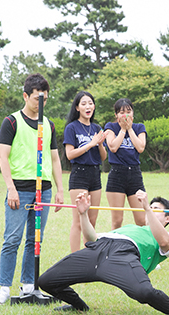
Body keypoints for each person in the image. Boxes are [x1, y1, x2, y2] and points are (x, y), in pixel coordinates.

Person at [38, 190, 169, 315]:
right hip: (98, 249)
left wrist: (146, 208)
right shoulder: (130, 228)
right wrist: (83, 214)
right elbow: (92, 238)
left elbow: (165, 243)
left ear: (168, 219)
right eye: (150, 207)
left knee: (144, 292)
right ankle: (79, 307)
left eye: (156, 209)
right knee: (46, 281)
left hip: (124, 255)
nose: (151, 210)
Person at [0, 73, 64, 305]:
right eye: (36, 99)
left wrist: (60, 189)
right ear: (25, 96)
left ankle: (29, 286)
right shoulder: (11, 122)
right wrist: (10, 188)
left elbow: (54, 159)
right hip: (20, 189)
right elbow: (3, 157)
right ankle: (5, 288)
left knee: (35, 240)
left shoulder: (49, 125)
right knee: (12, 239)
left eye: (44, 99)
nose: (40, 103)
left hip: (43, 190)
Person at [63, 91, 108, 252]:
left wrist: (100, 144)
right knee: (78, 221)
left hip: (95, 175)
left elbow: (103, 157)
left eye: (90, 103)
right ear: (77, 108)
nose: (87, 106)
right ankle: (74, 258)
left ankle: (88, 257)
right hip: (79, 175)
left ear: (94, 106)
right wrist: (90, 144)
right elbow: (69, 154)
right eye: (83, 103)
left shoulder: (96, 128)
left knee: (92, 220)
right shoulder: (72, 127)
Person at [104, 98, 147, 230]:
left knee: (141, 220)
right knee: (117, 221)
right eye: (122, 112)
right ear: (116, 115)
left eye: (129, 111)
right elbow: (113, 147)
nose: (126, 115)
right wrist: (123, 130)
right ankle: (115, 249)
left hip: (134, 174)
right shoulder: (110, 127)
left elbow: (140, 147)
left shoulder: (139, 127)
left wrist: (130, 129)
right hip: (117, 175)